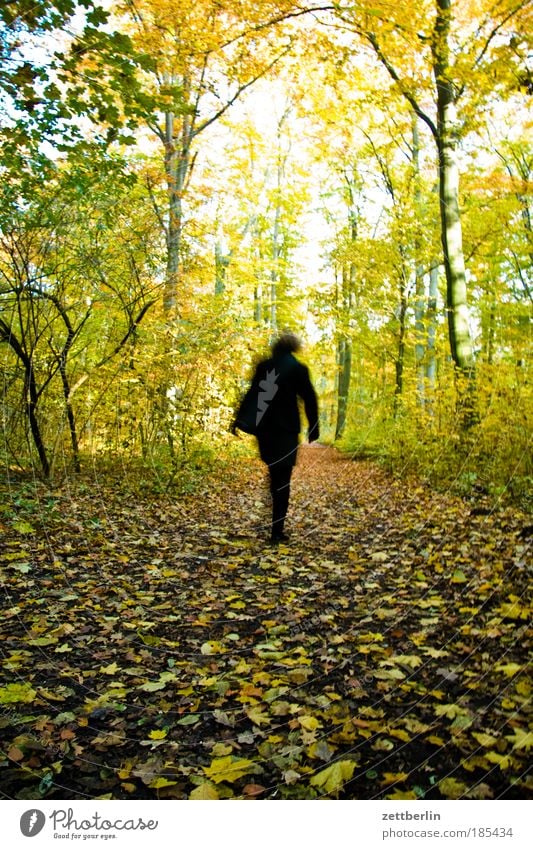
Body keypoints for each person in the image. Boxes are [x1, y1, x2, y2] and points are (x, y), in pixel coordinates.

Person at [232, 331, 319, 543]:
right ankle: (277, 530)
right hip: (287, 430)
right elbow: (309, 398)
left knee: (274, 474)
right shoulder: (298, 369)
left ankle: (274, 518)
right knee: (283, 479)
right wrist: (313, 427)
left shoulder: (265, 366)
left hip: (266, 430)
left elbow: (253, 395)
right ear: (294, 347)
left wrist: (239, 420)